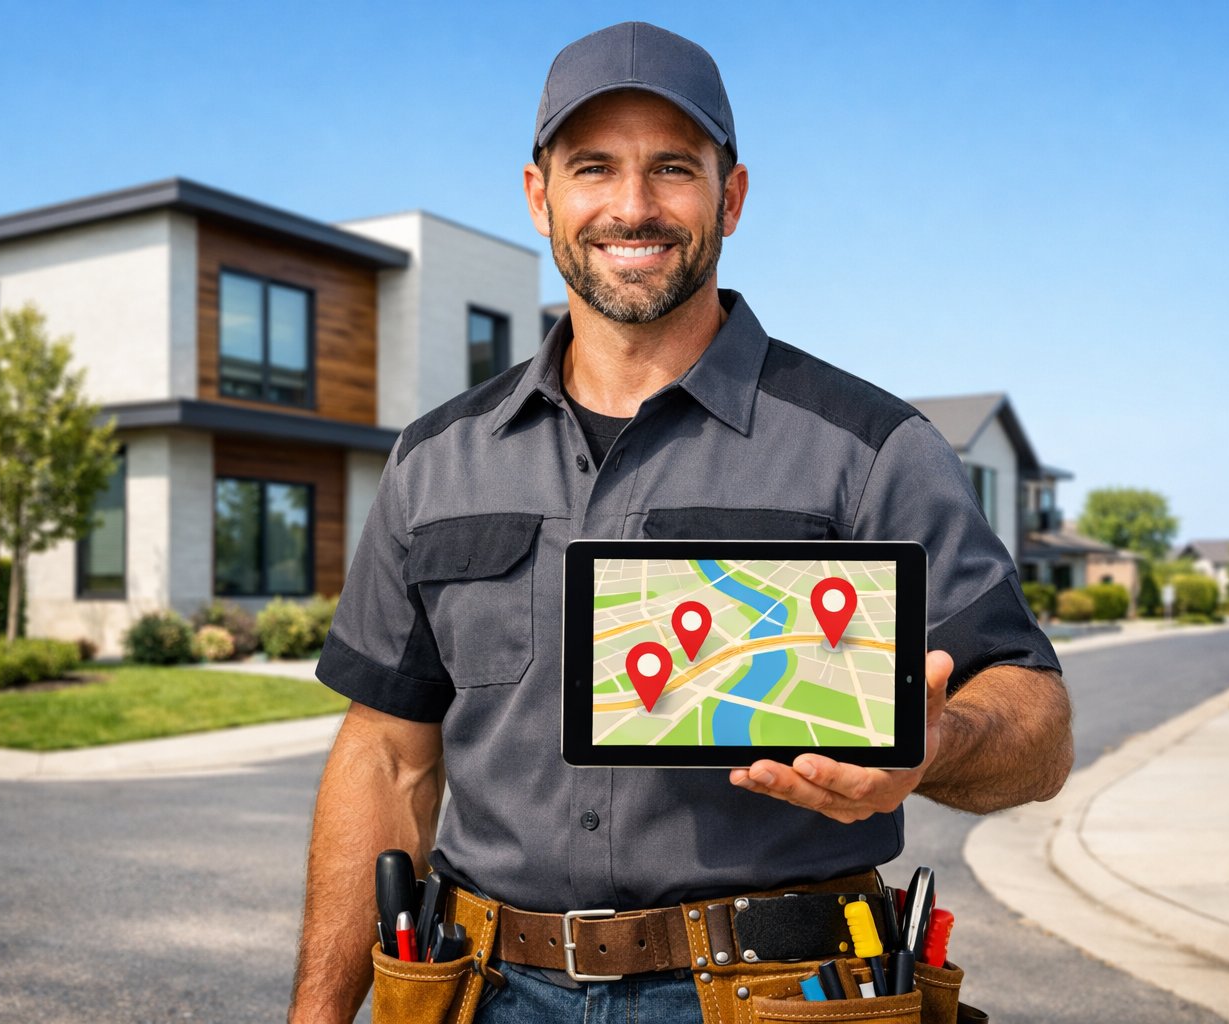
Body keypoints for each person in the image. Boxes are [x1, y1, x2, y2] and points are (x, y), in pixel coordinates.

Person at [288, 21, 1072, 1024]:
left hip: (781, 995)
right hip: (485, 991)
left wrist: (942, 737)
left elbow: (1038, 730)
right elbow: (387, 758)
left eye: (672, 168)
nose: (632, 205)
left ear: (730, 197)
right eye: (593, 168)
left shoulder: (871, 446)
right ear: (540, 197)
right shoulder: (435, 460)